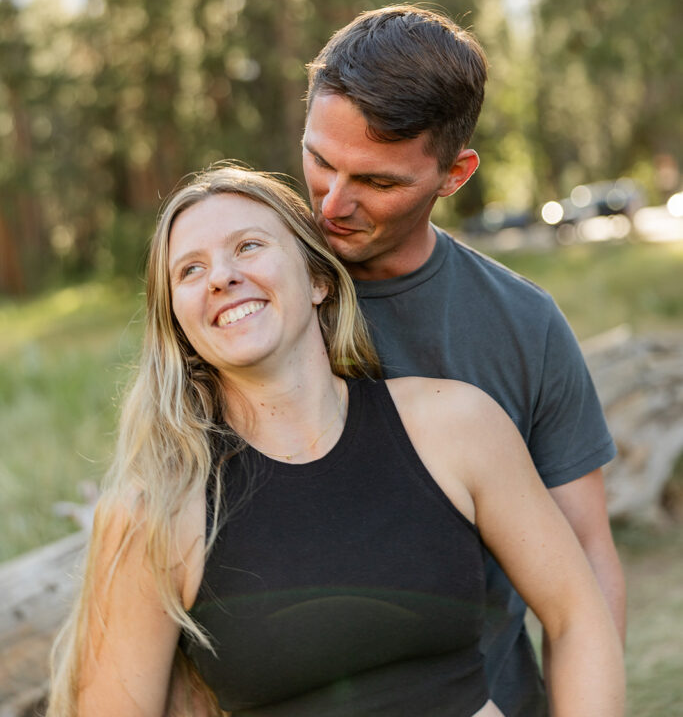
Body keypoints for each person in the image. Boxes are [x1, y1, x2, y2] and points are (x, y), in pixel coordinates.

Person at [48, 164, 624, 717]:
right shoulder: (156, 510)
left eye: (248, 246)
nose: (221, 275)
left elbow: (578, 615)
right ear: (179, 322)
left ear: (319, 278)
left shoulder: (456, 426)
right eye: (190, 270)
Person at [302, 4, 626, 716]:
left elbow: (585, 554)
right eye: (319, 160)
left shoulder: (522, 323)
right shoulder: (248, 302)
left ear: (454, 175)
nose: (331, 203)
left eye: (377, 182)